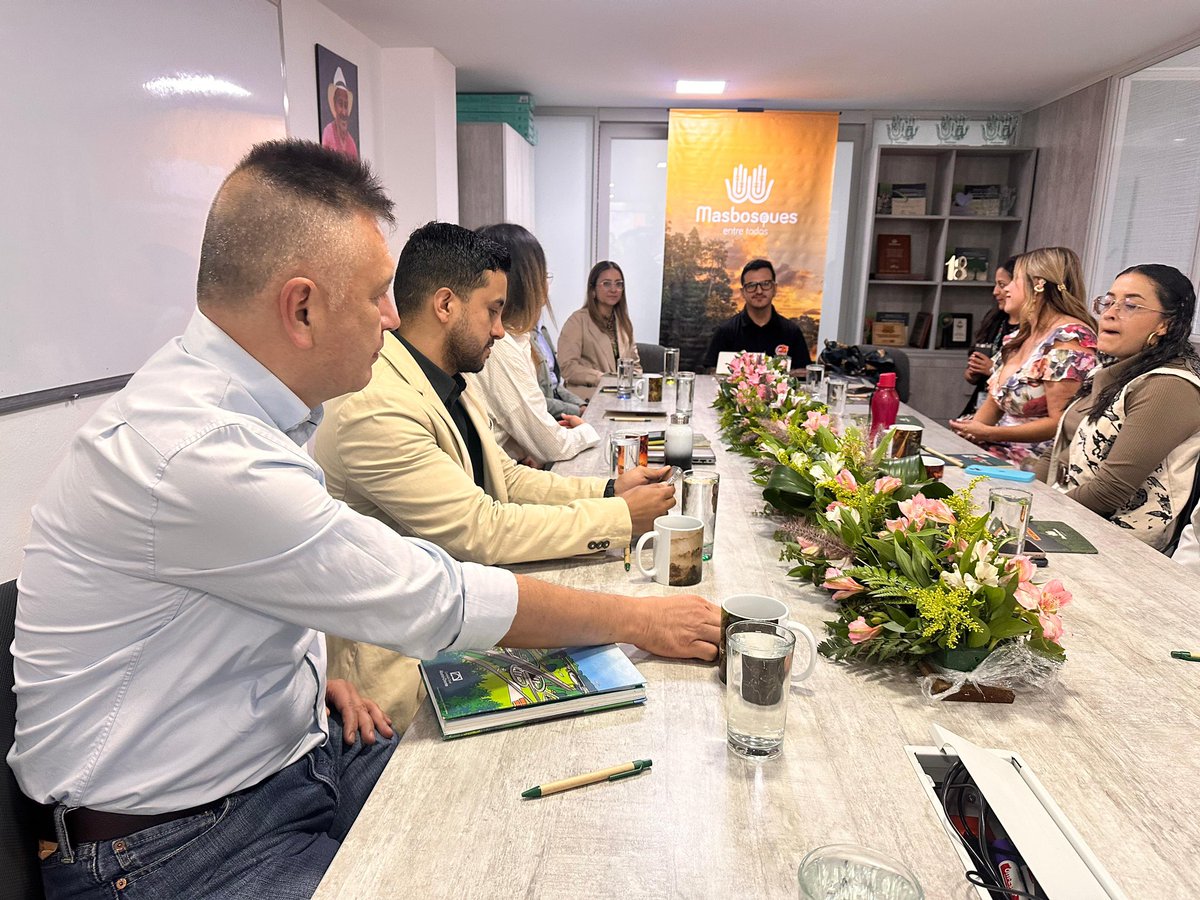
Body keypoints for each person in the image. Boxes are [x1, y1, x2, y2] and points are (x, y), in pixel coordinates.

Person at [8, 140, 719, 900]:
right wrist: (642, 620)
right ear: (303, 307)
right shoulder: (200, 451)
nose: (391, 316)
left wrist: (300, 685)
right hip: (174, 846)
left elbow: (222, 611)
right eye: (378, 294)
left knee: (541, 814)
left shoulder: (243, 410)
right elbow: (439, 595)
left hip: (296, 759)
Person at [313, 221, 677, 726]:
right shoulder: (375, 408)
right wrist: (617, 517)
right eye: (494, 310)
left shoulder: (444, 378)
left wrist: (609, 487)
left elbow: (505, 476)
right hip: (404, 679)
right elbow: (482, 529)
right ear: (446, 306)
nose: (501, 330)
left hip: (461, 622)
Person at [1034, 265, 1200, 551]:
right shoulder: (1109, 370)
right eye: (1108, 302)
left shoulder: (1169, 386)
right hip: (1070, 519)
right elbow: (1059, 449)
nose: (1109, 313)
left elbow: (1110, 491)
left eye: (1131, 305)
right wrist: (1027, 496)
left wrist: (1035, 518)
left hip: (1116, 544)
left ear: (1166, 324)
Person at [949, 247, 1098, 466]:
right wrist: (968, 434)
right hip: (994, 449)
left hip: (1034, 463)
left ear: (1038, 284)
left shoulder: (1070, 339)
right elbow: (994, 404)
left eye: (1013, 280)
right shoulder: (1019, 337)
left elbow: (1061, 423)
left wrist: (989, 433)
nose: (1004, 289)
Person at [472, 223, 600, 464]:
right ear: (527, 282)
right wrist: (587, 430)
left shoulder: (518, 338)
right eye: (543, 275)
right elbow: (552, 445)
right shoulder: (500, 345)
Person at [702, 259, 813, 371]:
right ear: (743, 292)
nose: (759, 291)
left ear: (775, 289)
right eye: (751, 286)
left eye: (765, 284)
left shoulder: (792, 332)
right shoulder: (725, 332)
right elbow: (712, 373)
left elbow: (803, 374)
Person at [557, 260, 643, 401]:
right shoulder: (577, 321)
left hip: (621, 396)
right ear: (593, 290)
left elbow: (635, 366)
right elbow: (567, 367)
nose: (614, 289)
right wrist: (601, 378)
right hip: (588, 398)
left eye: (618, 284)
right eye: (606, 284)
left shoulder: (624, 323)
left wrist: (631, 382)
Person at [959, 256, 1019, 416]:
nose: (995, 292)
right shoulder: (994, 320)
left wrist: (992, 369)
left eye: (1002, 285)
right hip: (979, 404)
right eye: (996, 284)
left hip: (1008, 412)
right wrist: (974, 371)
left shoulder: (1032, 331)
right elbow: (969, 375)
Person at [532, 320, 587, 417]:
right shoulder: (522, 339)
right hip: (543, 414)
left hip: (556, 402)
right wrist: (576, 410)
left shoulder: (542, 331)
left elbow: (555, 385)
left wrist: (581, 405)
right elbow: (536, 401)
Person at [320, 66, 358, 160]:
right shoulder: (328, 133)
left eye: (346, 105)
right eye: (340, 104)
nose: (344, 112)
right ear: (334, 105)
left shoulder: (351, 143)